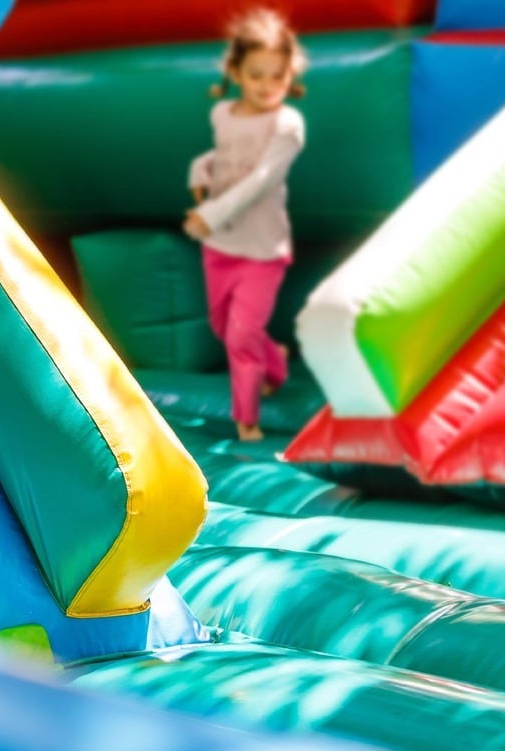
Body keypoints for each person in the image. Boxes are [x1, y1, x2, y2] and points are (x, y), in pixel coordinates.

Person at [182, 8, 307, 442]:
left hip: (262, 249)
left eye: (278, 76)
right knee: (225, 328)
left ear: (290, 74)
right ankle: (275, 359)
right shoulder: (223, 114)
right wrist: (200, 171)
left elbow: (260, 180)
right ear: (235, 71)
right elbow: (225, 160)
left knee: (240, 334)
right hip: (220, 247)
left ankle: (247, 421)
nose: (269, 86)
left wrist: (208, 215)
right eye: (257, 75)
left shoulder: (288, 125)